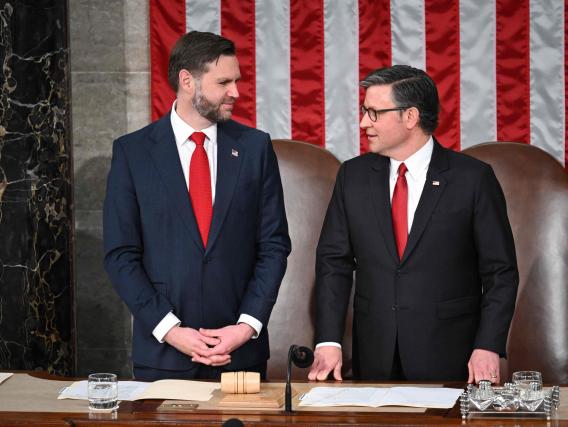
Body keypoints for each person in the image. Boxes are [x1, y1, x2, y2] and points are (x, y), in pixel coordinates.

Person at [308, 65, 518, 384]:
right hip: (374, 353)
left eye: (374, 113)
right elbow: (332, 263)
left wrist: (488, 344)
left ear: (410, 117)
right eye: (365, 111)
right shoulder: (353, 177)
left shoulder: (472, 180)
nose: (364, 122)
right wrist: (328, 340)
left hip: (450, 354)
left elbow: (500, 272)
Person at [103, 31, 291, 381]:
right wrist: (171, 330)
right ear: (187, 81)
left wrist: (245, 327)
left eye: (236, 81)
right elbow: (120, 255)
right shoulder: (133, 153)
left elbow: (274, 247)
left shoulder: (255, 148)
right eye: (224, 82)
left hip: (239, 357)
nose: (236, 92)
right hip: (163, 357)